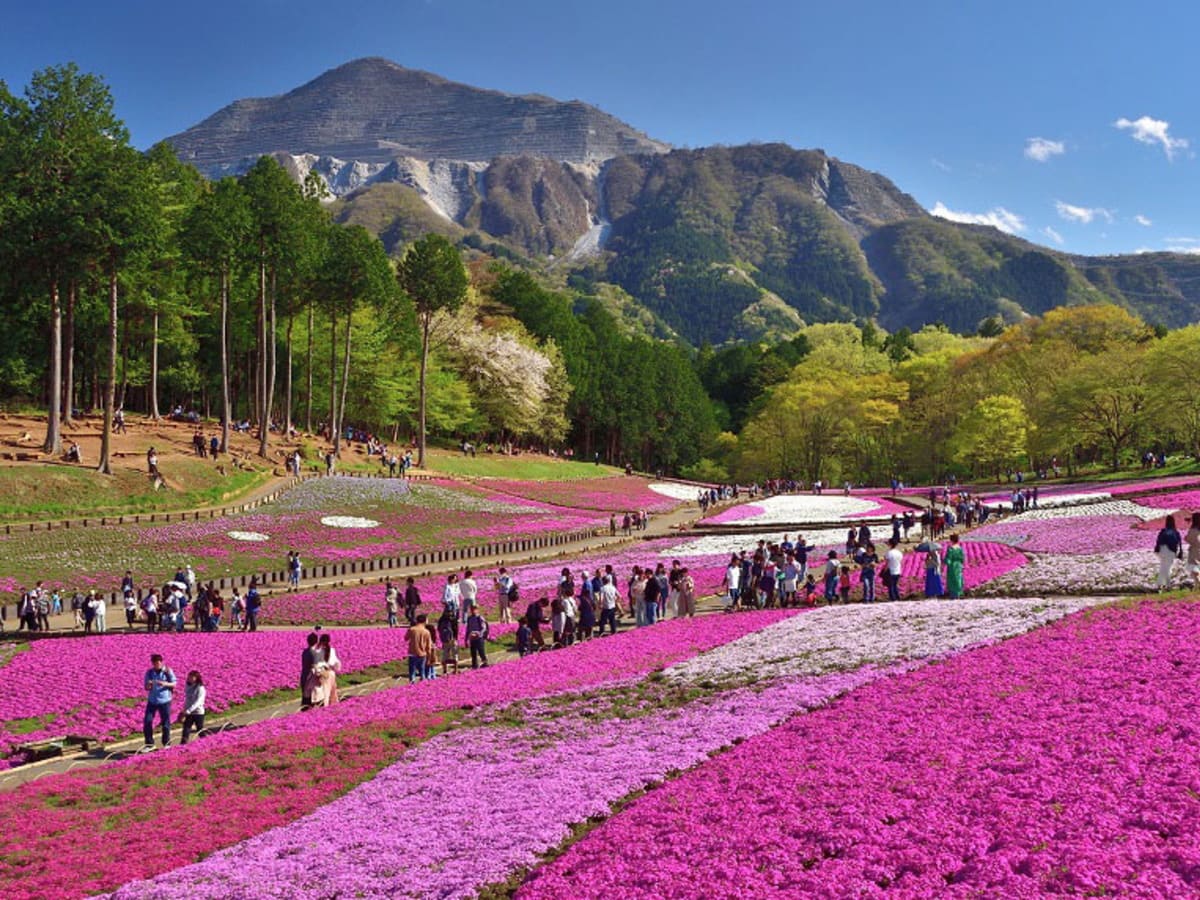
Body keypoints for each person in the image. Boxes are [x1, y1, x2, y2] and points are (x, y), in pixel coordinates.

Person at [141, 654, 176, 751]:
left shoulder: (168, 671)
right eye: (155, 663)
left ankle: (166, 743)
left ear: (161, 662)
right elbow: (146, 688)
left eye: (158, 662)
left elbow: (174, 683)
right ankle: (149, 744)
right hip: (152, 700)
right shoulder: (149, 673)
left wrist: (164, 683)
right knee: (147, 721)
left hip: (165, 701)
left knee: (165, 723)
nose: (157, 664)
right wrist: (149, 684)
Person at [308, 633, 341, 706]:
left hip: (321, 673)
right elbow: (334, 663)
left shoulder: (317, 650)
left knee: (323, 691)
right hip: (330, 673)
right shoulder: (331, 650)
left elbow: (314, 663)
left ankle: (322, 707)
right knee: (330, 692)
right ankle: (329, 707)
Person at [1154, 514, 1183, 591]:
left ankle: (1162, 585)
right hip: (1172, 551)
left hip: (1163, 550)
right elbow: (1179, 542)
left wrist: (1156, 549)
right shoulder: (1176, 531)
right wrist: (1180, 552)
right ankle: (1166, 585)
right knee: (1167, 567)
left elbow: (1158, 541)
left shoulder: (1163, 531)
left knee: (1164, 567)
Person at [179, 671, 206, 744]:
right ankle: (183, 745)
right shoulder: (187, 686)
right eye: (189, 676)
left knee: (200, 729)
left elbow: (198, 702)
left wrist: (189, 710)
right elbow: (187, 699)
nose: (189, 678)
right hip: (188, 711)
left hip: (198, 712)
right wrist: (184, 709)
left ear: (197, 678)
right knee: (186, 729)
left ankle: (206, 742)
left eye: (192, 677)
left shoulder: (200, 688)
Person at [406, 614, 433, 682]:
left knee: (412, 672)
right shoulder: (426, 632)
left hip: (412, 653)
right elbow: (428, 647)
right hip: (422, 654)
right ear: (424, 621)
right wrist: (429, 658)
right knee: (422, 671)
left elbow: (406, 638)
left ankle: (412, 684)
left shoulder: (412, 629)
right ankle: (422, 685)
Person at [464, 604, 490, 669]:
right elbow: (468, 629)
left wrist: (477, 633)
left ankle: (485, 663)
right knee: (473, 653)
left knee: (481, 651)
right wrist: (466, 639)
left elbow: (484, 628)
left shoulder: (480, 618)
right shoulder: (469, 618)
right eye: (472, 609)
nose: (473, 611)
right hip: (472, 638)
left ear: (477, 610)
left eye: (474, 609)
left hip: (479, 638)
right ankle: (474, 665)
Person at [300, 632, 319, 709]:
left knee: (305, 697)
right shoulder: (314, 653)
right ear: (316, 642)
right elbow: (315, 666)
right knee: (311, 698)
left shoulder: (305, 651)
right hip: (311, 677)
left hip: (304, 675)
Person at [945, 533, 966, 599]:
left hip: (953, 566)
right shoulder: (960, 548)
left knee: (952, 579)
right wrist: (961, 564)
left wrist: (945, 562)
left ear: (952, 540)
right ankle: (959, 593)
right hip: (959, 565)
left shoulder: (951, 549)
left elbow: (948, 559)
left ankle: (953, 594)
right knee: (959, 578)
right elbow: (962, 558)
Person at [1186, 512, 1200, 591]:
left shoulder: (1193, 530)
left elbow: (1190, 539)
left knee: (1195, 570)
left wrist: (1186, 538)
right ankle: (1197, 587)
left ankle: (1198, 586)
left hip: (1195, 551)